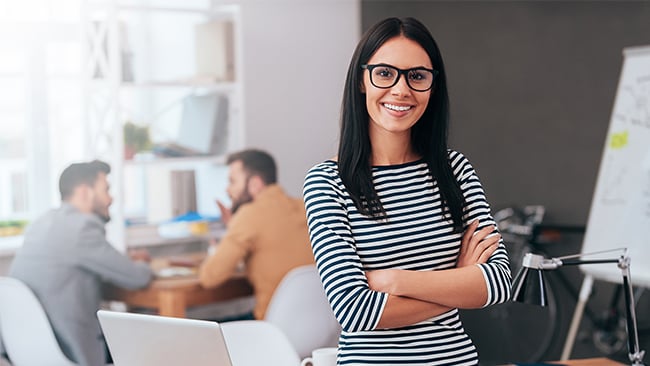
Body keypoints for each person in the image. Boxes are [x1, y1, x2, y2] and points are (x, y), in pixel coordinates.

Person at [302, 17, 512, 365]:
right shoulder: (328, 182)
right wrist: (459, 282)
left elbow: (499, 282)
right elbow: (354, 311)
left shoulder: (455, 170)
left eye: (417, 76)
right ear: (361, 80)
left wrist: (397, 280)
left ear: (433, 85)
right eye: (385, 73)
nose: (401, 90)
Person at [9, 160, 152, 366]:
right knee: (150, 343)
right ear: (85, 192)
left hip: (27, 351)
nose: (111, 199)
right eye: (106, 189)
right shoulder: (82, 228)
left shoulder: (42, 222)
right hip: (70, 352)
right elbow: (137, 277)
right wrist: (146, 263)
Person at [198, 149, 315, 320]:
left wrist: (230, 232)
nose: (228, 190)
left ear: (255, 184)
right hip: (318, 328)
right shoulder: (305, 207)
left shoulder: (249, 215)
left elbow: (209, 277)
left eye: (232, 182)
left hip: (272, 327)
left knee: (199, 330)